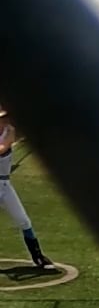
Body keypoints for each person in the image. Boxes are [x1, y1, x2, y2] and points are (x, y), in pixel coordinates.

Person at [0, 111, 53, 270]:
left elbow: (3, 148)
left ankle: (38, 257)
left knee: (23, 221)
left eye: (4, 118)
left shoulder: (9, 131)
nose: (4, 120)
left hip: (4, 185)